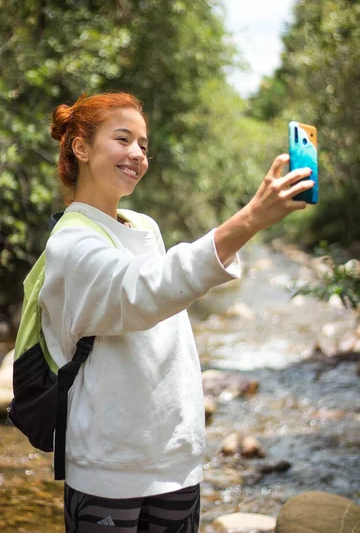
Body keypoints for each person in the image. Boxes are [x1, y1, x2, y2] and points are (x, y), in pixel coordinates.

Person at [39, 92, 314, 533]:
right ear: (82, 148)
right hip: (108, 463)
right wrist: (250, 220)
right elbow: (141, 294)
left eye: (144, 145)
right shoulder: (71, 241)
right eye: (124, 139)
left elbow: (166, 300)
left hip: (176, 458)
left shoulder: (144, 225)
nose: (138, 154)